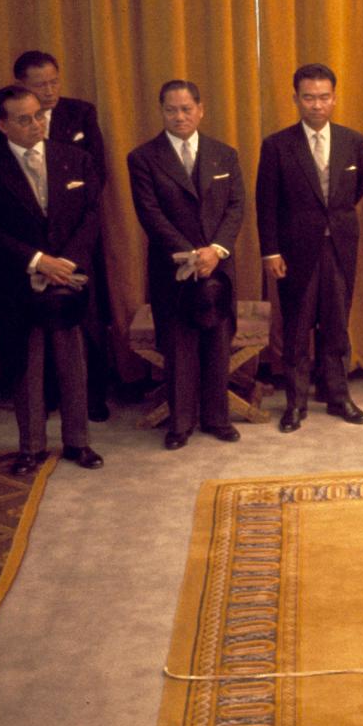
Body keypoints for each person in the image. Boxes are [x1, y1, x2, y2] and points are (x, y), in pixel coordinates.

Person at [0, 86, 103, 474]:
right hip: (19, 280)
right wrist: (37, 261)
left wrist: (66, 263)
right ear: (2, 125)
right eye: (24, 119)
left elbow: (92, 216)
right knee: (27, 366)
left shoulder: (75, 159)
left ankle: (77, 443)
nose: (36, 124)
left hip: (69, 278)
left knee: (73, 363)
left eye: (38, 115)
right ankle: (30, 448)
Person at [127, 80, 244, 450]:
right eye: (171, 110)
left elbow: (236, 207)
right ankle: (179, 424)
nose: (179, 116)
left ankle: (217, 418)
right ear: (161, 111)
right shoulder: (143, 158)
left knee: (218, 343)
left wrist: (217, 251)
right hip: (172, 268)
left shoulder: (224, 154)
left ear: (201, 109)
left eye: (186, 109)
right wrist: (192, 255)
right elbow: (151, 215)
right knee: (178, 347)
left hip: (219, 267)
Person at [257, 63, 363, 432]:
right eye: (309, 98)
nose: (317, 105)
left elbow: (355, 193)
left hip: (340, 246)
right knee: (297, 328)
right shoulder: (277, 145)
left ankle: (338, 397)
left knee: (337, 325)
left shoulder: (353, 141)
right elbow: (266, 203)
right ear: (296, 99)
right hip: (294, 252)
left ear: (334, 99)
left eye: (324, 97)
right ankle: (295, 403)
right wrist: (271, 251)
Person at [13, 51, 112, 422]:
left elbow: (96, 176)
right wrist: (39, 255)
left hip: (77, 239)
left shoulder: (80, 113)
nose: (51, 90)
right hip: (29, 245)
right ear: (22, 85)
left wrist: (70, 250)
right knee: (34, 327)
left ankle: (94, 396)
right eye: (41, 85)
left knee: (87, 318)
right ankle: (49, 396)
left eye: (55, 80)